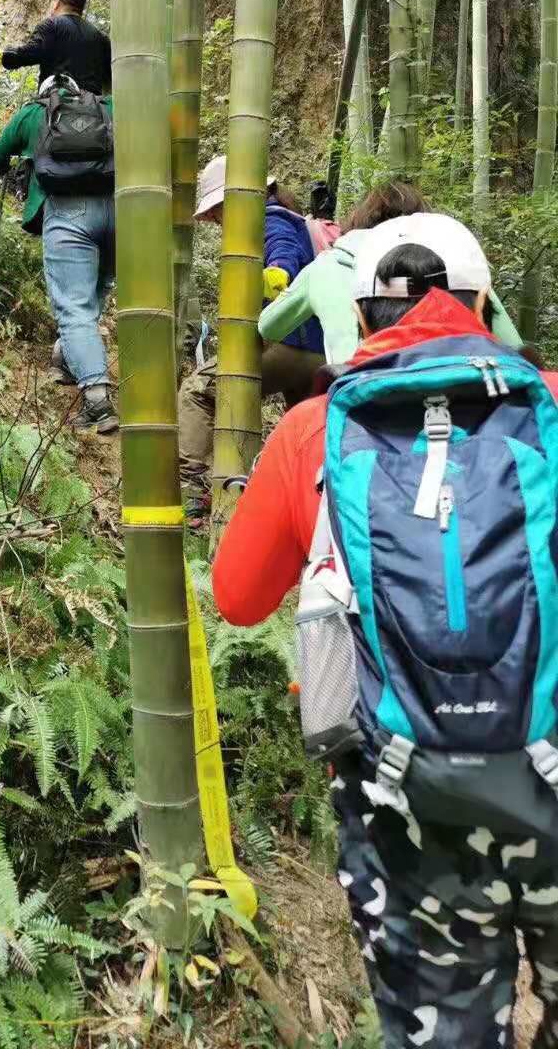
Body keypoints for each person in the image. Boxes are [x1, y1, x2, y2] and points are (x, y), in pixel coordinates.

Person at [212, 214, 558, 1048]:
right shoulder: (549, 402)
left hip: (406, 810)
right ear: (483, 303)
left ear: (360, 317)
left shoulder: (313, 432)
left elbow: (235, 597)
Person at [0, 0, 117, 434]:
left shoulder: (36, 111)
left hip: (68, 216)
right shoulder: (114, 108)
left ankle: (97, 398)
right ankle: (67, 355)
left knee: (74, 309)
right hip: (120, 215)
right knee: (90, 300)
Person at [178, 154, 324, 487]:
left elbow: (283, 252)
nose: (215, 220)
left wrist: (277, 274)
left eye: (216, 211)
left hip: (291, 345)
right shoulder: (291, 218)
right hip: (317, 350)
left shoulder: (271, 221)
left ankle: (191, 485)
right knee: (309, 431)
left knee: (197, 389)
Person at [259, 181, 526, 364]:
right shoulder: (458, 268)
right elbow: (515, 347)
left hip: (356, 404)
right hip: (471, 404)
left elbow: (268, 325)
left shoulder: (328, 266)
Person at [0, 0, 112, 96]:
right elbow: (110, 77)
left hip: (57, 102)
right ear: (81, 10)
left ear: (58, 3)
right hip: (94, 106)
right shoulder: (100, 37)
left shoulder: (52, 25)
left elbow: (25, 55)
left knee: (16, 126)